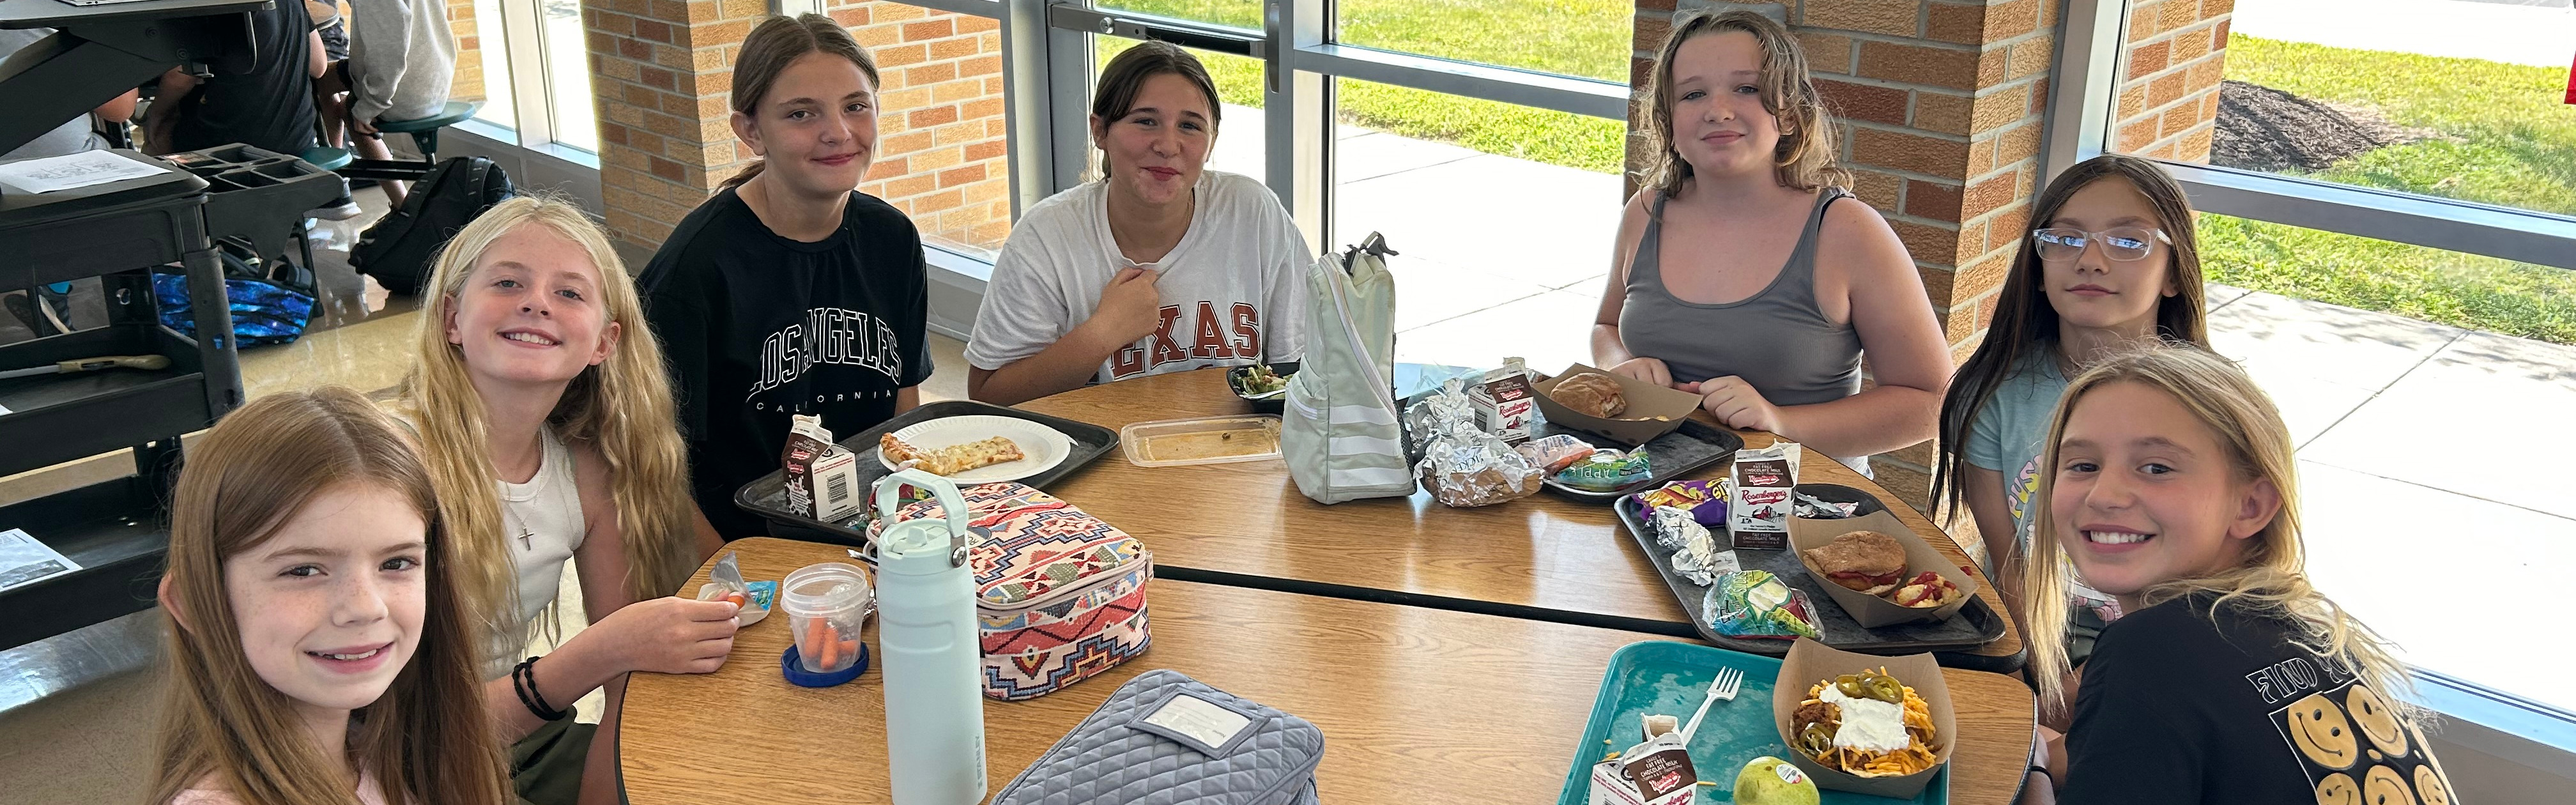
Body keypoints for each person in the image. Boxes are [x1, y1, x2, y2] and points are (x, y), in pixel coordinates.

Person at [394, 195, 733, 804]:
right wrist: (598, 653)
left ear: (605, 343)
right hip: (393, 760)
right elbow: (407, 737)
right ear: (451, 320)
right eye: (507, 282)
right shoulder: (388, 465)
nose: (536, 302)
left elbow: (626, 685)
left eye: (570, 293)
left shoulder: (586, 473)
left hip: (521, 740)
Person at [2016, 346, 2455, 804]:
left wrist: (2034, 777)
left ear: (2251, 506)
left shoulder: (2153, 650)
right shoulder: (2315, 636)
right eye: (2083, 466)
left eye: (2156, 468)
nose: (2104, 495)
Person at [1590, 10, 1948, 473]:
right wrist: (1623, 365)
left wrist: (1779, 421)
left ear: (1792, 114)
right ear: (1669, 124)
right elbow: (1607, 328)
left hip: (1795, 515)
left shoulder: (1847, 232)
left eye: (1747, 89)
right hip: (1649, 493)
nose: (1718, 109)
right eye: (1693, 93)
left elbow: (1932, 403)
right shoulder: (1645, 211)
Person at [641, 14, 931, 540]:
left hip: (871, 529)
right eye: (802, 114)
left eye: (856, 106)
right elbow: (651, 466)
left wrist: (907, 529)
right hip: (747, 542)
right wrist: (731, 576)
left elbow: (902, 402)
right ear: (751, 131)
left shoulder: (894, 239)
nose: (838, 133)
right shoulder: (695, 270)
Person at [148, 387, 510, 805]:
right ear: (193, 603)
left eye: (396, 563)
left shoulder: (378, 748)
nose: (366, 607)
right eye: (302, 571)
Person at [1929, 154, 2212, 672]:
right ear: (2038, 269)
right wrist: (2053, 679)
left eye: (2128, 242)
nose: (2091, 261)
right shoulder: (1994, 394)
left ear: (2174, 273)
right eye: (2065, 239)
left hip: (2177, 635)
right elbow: (2012, 569)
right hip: (2042, 632)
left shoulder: (2211, 408)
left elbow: (2224, 575)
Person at [963, 40, 1308, 407]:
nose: (1168, 145)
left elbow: (1307, 368)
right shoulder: (1047, 236)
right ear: (1100, 131)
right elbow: (989, 396)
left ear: (1211, 144)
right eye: (1146, 121)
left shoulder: (1253, 212)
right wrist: (1101, 333)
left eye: (1190, 126)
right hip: (1103, 455)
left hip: (1236, 451)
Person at [143, 0, 323, 157]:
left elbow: (180, 76)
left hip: (235, 143)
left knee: (158, 136)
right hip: (299, 137)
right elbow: (319, 65)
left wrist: (157, 113)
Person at [337, 0, 456, 208]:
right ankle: (339, 184)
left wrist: (371, 104)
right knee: (330, 78)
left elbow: (389, 46)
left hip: (405, 89)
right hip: (435, 79)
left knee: (347, 107)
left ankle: (338, 190)